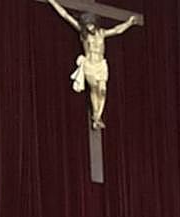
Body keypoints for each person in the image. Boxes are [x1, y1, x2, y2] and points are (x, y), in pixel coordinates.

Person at [46, 0, 138, 130]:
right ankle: (96, 118)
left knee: (103, 91)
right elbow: (65, 15)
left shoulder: (102, 33)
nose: (90, 27)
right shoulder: (83, 34)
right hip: (90, 65)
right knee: (95, 90)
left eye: (91, 25)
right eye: (87, 25)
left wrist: (129, 23)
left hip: (100, 65)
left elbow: (117, 30)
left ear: (95, 23)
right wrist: (52, 1)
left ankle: (97, 116)